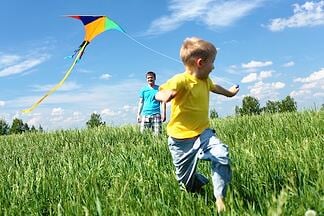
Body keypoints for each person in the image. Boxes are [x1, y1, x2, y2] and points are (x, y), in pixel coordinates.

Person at [155, 37, 239, 213]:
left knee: (221, 155)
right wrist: (166, 96)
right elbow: (159, 94)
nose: (214, 67)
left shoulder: (205, 81)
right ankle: (199, 183)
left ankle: (220, 198)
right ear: (201, 63)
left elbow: (216, 87)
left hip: (203, 133)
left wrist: (230, 94)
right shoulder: (181, 80)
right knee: (187, 184)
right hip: (180, 141)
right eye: (212, 63)